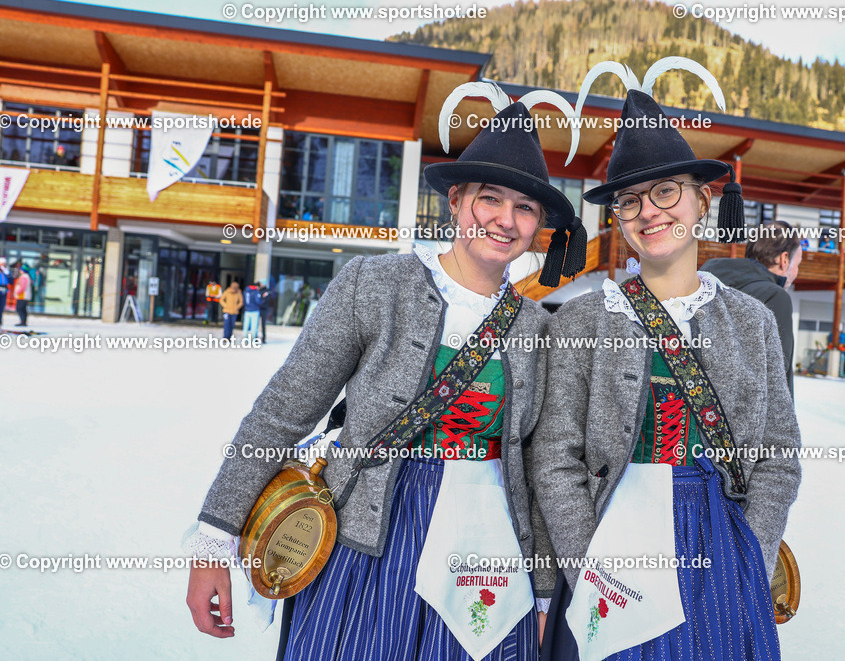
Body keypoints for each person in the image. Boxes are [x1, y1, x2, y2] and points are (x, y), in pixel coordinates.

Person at [185, 88, 586, 660]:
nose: (505, 219)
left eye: (525, 208)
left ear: (537, 225)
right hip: (366, 546)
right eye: (490, 198)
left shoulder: (540, 329)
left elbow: (538, 466)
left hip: (489, 561)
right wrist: (212, 544)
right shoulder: (372, 285)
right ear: (455, 200)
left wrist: (545, 594)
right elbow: (280, 415)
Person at [534, 61, 800, 661]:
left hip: (721, 550)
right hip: (612, 551)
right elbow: (553, 457)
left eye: (664, 192)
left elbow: (778, 454)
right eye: (629, 201)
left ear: (704, 200)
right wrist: (589, 565)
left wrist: (749, 554)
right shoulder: (580, 321)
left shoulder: (750, 320)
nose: (648, 212)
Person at [701, 220, 802, 397]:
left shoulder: (709, 285)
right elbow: (774, 374)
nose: (796, 272)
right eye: (798, 264)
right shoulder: (775, 296)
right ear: (784, 260)